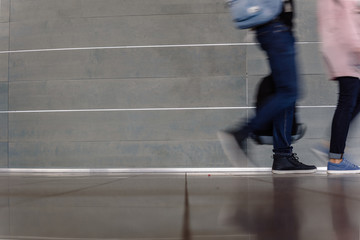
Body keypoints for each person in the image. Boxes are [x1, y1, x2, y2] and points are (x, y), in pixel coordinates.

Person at [218, 0, 317, 174]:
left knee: (285, 93)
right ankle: (241, 133)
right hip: (277, 31)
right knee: (289, 92)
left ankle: (282, 156)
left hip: (273, 31)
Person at [316, 0, 360, 173]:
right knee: (347, 100)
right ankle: (335, 157)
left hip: (339, 46)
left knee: (353, 98)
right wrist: (356, 47)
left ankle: (330, 147)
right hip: (347, 49)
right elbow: (348, 17)